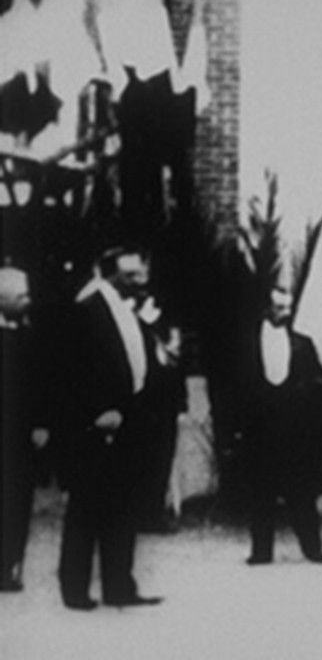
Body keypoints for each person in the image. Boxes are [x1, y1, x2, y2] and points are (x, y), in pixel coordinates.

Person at [58, 246, 163, 610]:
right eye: (130, 276)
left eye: (139, 273)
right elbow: (72, 370)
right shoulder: (87, 309)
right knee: (87, 506)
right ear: (109, 275)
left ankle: (120, 585)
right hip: (99, 424)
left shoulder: (124, 308)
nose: (139, 281)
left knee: (122, 505)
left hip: (129, 421)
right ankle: (74, 589)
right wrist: (95, 412)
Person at [241, 286, 322, 566]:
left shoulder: (303, 344)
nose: (285, 313)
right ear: (265, 308)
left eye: (288, 307)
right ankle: (261, 550)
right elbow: (237, 388)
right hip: (261, 428)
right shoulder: (247, 344)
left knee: (301, 492)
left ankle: (312, 547)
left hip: (295, 429)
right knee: (260, 491)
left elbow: (317, 385)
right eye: (279, 307)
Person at [1, 265, 50, 592]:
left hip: (20, 438)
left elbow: (42, 385)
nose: (28, 301)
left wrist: (41, 423)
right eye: (21, 296)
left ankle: (9, 566)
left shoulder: (30, 335)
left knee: (17, 502)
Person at [133, 292, 185, 533]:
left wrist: (181, 403)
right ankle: (140, 512)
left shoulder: (167, 324)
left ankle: (154, 512)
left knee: (163, 458)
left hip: (167, 402)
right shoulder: (133, 323)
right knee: (142, 458)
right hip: (145, 402)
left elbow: (177, 365)